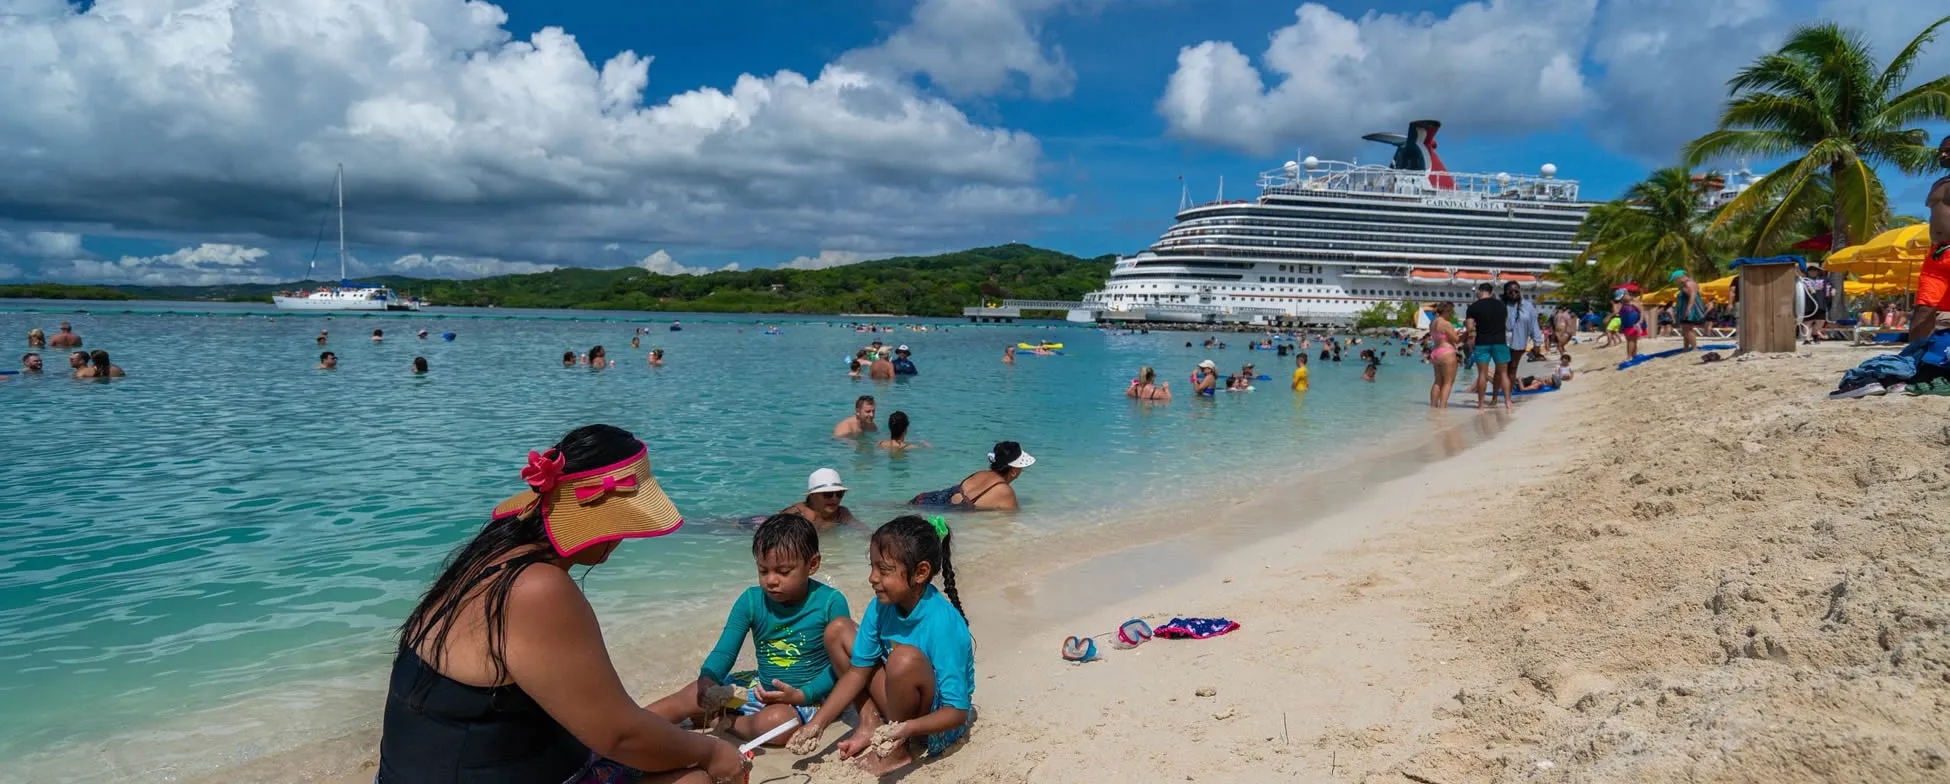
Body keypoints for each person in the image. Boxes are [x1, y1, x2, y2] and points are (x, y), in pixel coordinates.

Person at [376, 425, 746, 783]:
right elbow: (618, 737)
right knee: (694, 779)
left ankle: (680, 708)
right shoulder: (538, 588)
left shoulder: (492, 555)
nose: (621, 538)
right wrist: (713, 754)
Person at [646, 513, 855, 747]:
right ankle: (634, 725)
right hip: (759, 687)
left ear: (812, 564)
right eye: (763, 571)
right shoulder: (751, 600)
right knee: (695, 692)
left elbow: (840, 667)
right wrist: (708, 677)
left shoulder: (829, 602)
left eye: (783, 572)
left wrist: (802, 694)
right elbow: (725, 651)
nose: (771, 580)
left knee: (779, 722)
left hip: (809, 697)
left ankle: (725, 723)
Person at [786, 516, 972, 774]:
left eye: (884, 570)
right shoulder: (882, 605)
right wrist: (817, 724)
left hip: (935, 722)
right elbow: (857, 672)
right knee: (838, 631)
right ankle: (870, 723)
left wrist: (906, 730)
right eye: (872, 567)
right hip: (901, 709)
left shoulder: (942, 623)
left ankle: (898, 749)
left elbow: (958, 712)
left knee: (902, 658)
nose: (872, 578)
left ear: (920, 573)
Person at [908, 442, 1032, 511]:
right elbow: (1011, 520)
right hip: (946, 509)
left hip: (925, 498)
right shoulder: (1006, 492)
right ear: (1014, 471)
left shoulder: (981, 473)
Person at [1911, 135, 1950, 345]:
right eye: (1941, 151)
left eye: (1948, 151)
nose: (1942, 155)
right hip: (1937, 254)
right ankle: (1913, 359)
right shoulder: (1938, 184)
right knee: (1923, 308)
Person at [1464, 282, 1511, 412]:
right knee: (1503, 374)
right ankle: (1507, 401)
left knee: (1482, 375)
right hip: (1500, 342)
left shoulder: (1473, 307)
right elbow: (1504, 321)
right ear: (1491, 292)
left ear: (1480, 291)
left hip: (1482, 342)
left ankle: (1481, 405)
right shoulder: (1501, 305)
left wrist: (1473, 335)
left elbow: (1469, 328)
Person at [782, 468, 859, 530]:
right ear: (812, 495)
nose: (834, 498)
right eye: (828, 494)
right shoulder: (800, 514)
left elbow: (863, 531)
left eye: (839, 494)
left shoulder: (841, 513)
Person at [1501, 282, 1542, 388]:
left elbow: (1534, 325)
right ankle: (1498, 394)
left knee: (1513, 367)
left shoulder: (1528, 306)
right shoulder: (1501, 305)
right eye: (1510, 291)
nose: (1513, 293)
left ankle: (1508, 394)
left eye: (1516, 291)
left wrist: (1537, 343)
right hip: (1502, 341)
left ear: (1520, 291)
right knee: (1502, 369)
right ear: (1506, 292)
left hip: (1519, 341)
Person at [1428, 302, 1460, 408]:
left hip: (1435, 352)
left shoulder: (1432, 322)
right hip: (1446, 352)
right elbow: (1456, 340)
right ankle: (1442, 407)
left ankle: (1433, 407)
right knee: (1448, 382)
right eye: (1451, 312)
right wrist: (1464, 333)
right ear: (1447, 311)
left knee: (1437, 381)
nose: (1451, 315)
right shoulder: (1446, 323)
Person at [1672, 270, 1707, 350]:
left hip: (1691, 309)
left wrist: (1689, 308)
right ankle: (1686, 348)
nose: (1675, 282)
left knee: (1687, 328)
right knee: (1685, 329)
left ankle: (1694, 348)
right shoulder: (1687, 284)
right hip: (1688, 309)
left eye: (1675, 280)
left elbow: (1693, 295)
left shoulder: (1689, 284)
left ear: (1679, 278)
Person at [1618, 290, 1646, 357]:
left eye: (1622, 297)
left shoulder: (1634, 302)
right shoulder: (1623, 304)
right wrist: (1621, 326)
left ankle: (1629, 356)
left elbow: (1641, 311)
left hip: (1633, 323)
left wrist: (1641, 320)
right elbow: (1621, 315)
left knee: (1632, 340)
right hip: (1627, 323)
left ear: (1627, 294)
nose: (1621, 299)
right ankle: (1633, 355)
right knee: (1631, 340)